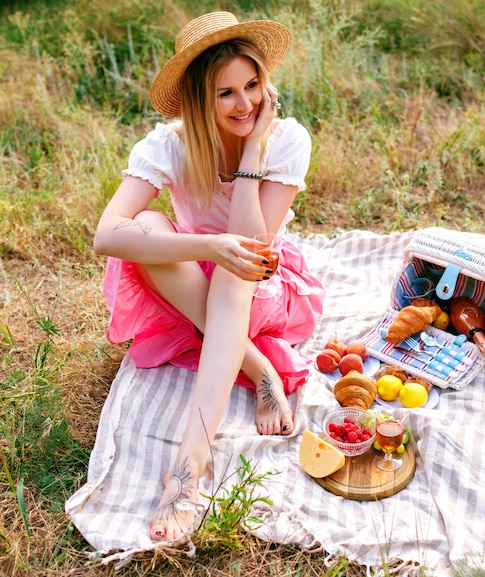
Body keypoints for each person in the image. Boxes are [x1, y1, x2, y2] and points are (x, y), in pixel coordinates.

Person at [93, 11, 324, 542]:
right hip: (188, 282)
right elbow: (107, 234)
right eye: (226, 93)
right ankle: (260, 366)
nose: (245, 104)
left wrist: (251, 154)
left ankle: (187, 469)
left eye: (252, 85)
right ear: (200, 99)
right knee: (147, 227)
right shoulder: (168, 146)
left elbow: (254, 244)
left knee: (236, 262)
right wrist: (207, 245)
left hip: (261, 281)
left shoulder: (286, 139)